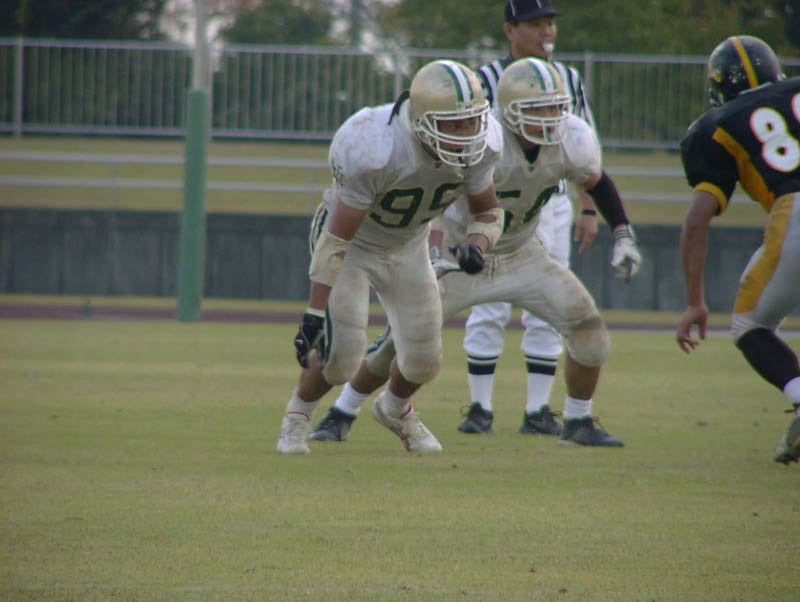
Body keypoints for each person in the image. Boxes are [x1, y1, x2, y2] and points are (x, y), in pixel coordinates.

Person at [309, 56, 641, 447]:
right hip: (461, 258)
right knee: (399, 346)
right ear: (510, 111)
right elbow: (432, 197)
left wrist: (622, 233)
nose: (550, 119)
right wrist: (434, 252)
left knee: (589, 329)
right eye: (538, 110)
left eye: (555, 108)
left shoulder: (573, 139)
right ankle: (342, 411)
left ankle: (578, 422)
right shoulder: (482, 141)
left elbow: (597, 182)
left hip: (523, 253)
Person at [275, 59, 505, 455]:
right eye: (453, 125)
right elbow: (337, 238)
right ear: (420, 121)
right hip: (353, 246)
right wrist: (313, 314)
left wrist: (477, 245)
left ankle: (396, 410)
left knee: (424, 360)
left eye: (471, 122)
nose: (466, 134)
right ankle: (297, 415)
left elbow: (489, 213)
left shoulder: (483, 147)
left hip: (409, 245)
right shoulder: (374, 145)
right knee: (341, 357)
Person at [459, 0, 613, 436]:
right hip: (495, 203)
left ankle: (537, 410)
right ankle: (479, 407)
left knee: (548, 304)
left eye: (550, 23)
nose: (547, 31)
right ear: (510, 30)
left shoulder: (568, 79)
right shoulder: (484, 79)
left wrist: (588, 208)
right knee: (488, 301)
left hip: (550, 199)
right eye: (535, 23)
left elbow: (586, 148)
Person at [676, 35, 800, 465]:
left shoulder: (716, 125)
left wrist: (694, 302)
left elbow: (696, 221)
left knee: (750, 324)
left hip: (795, 210)